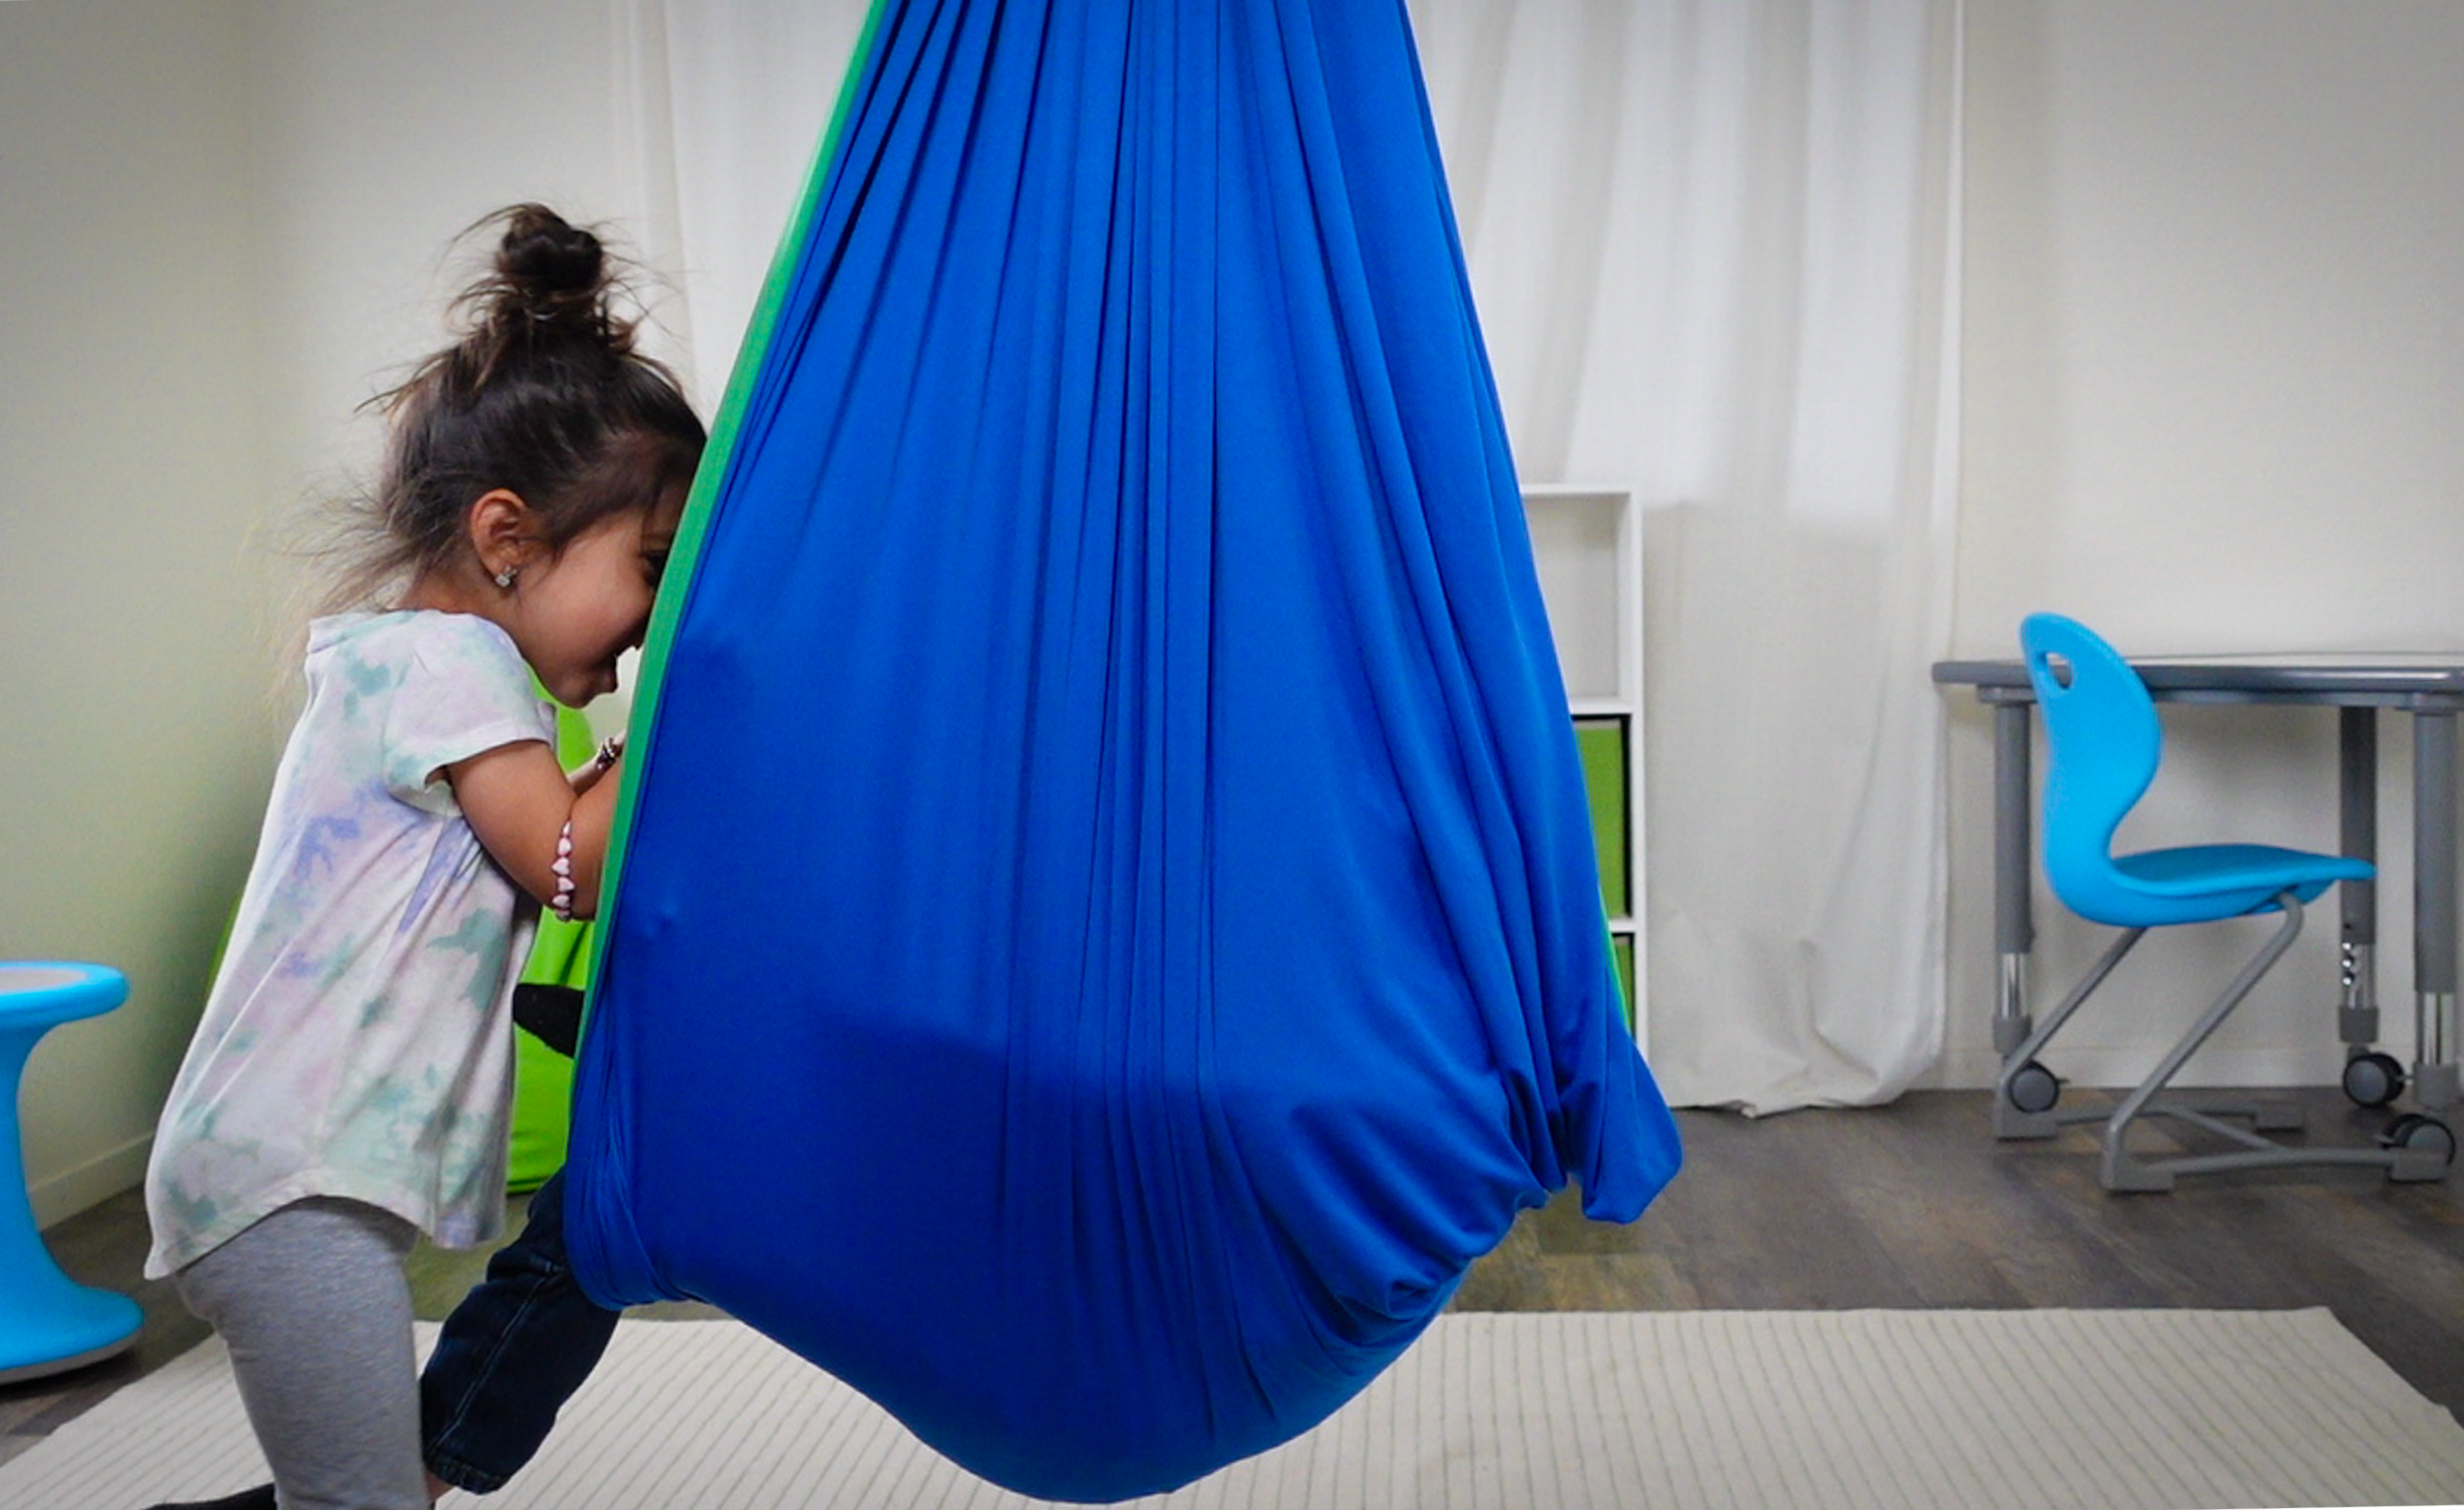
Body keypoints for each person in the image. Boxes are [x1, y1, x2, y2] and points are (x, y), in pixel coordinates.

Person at [140, 203, 704, 1510]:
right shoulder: (443, 663)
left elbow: (524, 837)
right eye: (651, 574)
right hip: (286, 1189)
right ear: (509, 540)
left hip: (295, 1178)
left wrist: (607, 766)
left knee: (362, 1480)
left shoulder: (435, 674)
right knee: (365, 1504)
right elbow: (564, 861)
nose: (645, 632)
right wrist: (679, 716)